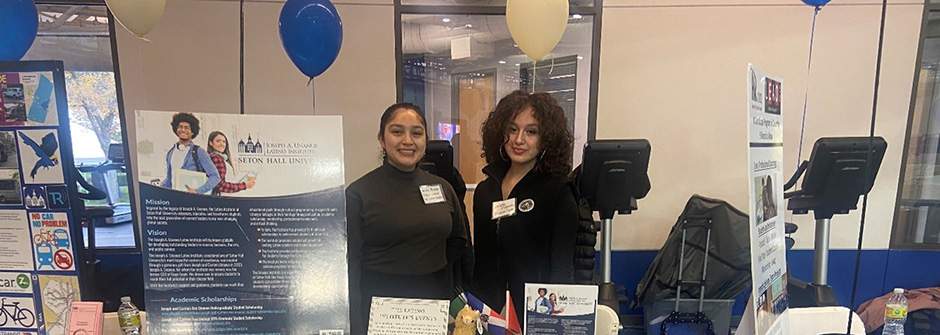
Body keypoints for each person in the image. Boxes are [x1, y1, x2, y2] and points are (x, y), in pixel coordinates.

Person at [346, 102, 471, 334]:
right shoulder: (358, 194)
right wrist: (354, 322)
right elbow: (351, 263)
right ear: (381, 139)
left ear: (424, 140)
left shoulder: (443, 188)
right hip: (380, 306)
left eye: (416, 133)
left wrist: (428, 267)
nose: (407, 140)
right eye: (397, 131)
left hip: (432, 302)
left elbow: (459, 242)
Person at [472, 90, 579, 328]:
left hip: (536, 314)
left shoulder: (558, 191)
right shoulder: (485, 191)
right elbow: (481, 260)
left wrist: (550, 324)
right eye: (512, 129)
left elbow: (561, 270)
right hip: (489, 313)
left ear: (547, 139)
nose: (519, 140)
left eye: (531, 132)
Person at [161, 112, 220, 194]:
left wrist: (198, 191)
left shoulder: (199, 152)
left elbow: (215, 177)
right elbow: (170, 176)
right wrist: (162, 185)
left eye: (187, 127)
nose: (183, 130)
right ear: (176, 130)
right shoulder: (171, 152)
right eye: (180, 127)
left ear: (192, 132)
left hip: (192, 200)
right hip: (174, 199)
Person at [206, 131, 256, 195]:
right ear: (211, 143)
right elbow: (220, 185)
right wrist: (244, 185)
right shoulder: (216, 158)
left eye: (224, 142)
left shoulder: (218, 158)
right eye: (218, 141)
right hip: (223, 199)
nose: (222, 144)